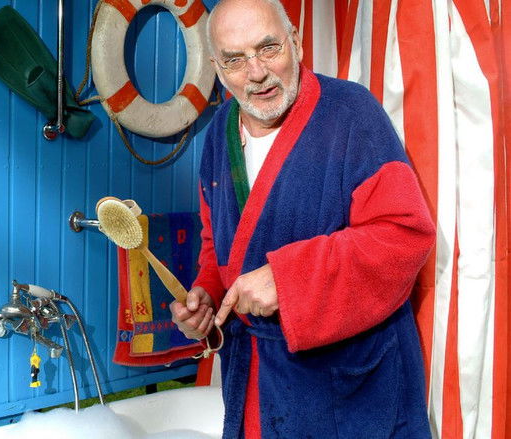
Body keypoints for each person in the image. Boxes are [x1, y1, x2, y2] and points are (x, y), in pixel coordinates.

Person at [169, 0, 436, 437]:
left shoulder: (353, 114)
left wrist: (289, 280)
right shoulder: (219, 132)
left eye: (268, 48)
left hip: (350, 390)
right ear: (217, 69)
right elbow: (219, 244)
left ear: (295, 42)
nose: (256, 73)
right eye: (235, 60)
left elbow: (403, 235)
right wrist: (208, 296)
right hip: (256, 386)